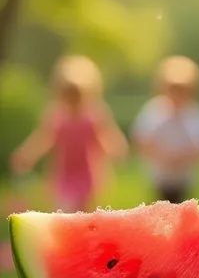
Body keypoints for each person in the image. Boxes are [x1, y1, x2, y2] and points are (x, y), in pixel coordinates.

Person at [10, 55, 128, 212]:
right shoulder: (57, 116)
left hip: (88, 174)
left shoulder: (94, 116)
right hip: (64, 174)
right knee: (63, 211)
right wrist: (28, 154)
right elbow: (44, 139)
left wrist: (115, 150)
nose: (73, 100)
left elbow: (106, 137)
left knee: (87, 213)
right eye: (68, 95)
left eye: (77, 95)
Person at [132, 55, 199, 204]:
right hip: (160, 175)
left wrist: (183, 158)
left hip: (184, 176)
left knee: (183, 209)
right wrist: (162, 156)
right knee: (160, 210)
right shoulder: (155, 110)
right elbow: (142, 140)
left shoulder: (194, 114)